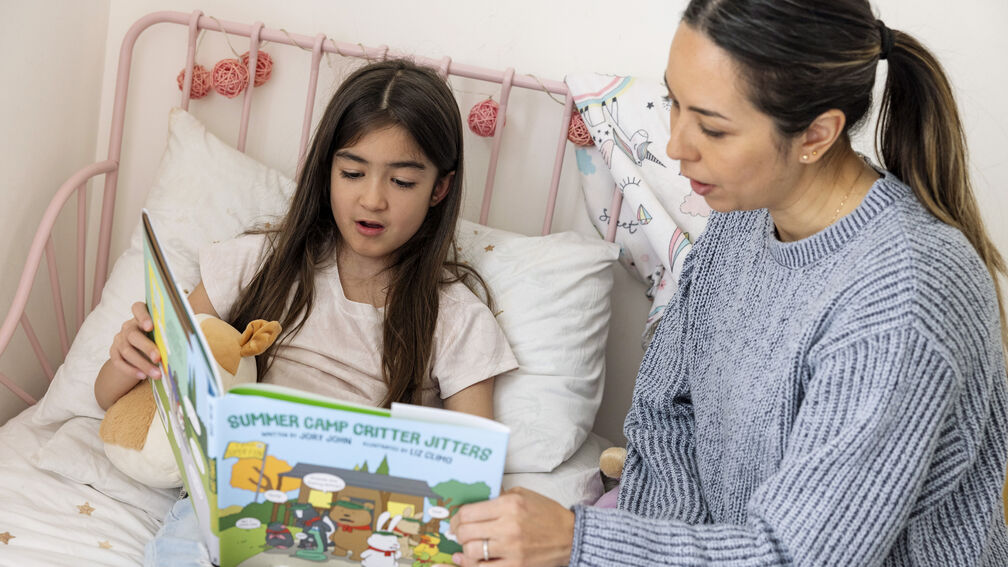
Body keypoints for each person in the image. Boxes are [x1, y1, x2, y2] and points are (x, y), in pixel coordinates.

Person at [445, 1, 1008, 565]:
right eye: (673, 103)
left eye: (712, 127)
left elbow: (800, 557)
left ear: (817, 134)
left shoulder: (903, 298)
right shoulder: (743, 216)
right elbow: (665, 414)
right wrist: (640, 547)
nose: (675, 146)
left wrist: (582, 543)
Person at [92, 58, 518, 566]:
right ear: (328, 171)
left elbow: (470, 485)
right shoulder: (257, 263)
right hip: (235, 507)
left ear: (439, 189)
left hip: (356, 531)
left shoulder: (457, 319)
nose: (372, 199)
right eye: (353, 173)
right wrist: (128, 359)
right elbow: (109, 397)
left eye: (402, 182)